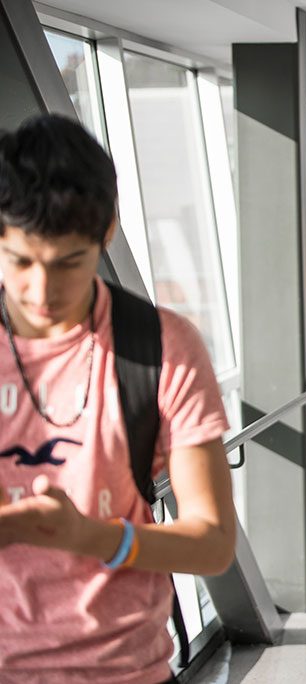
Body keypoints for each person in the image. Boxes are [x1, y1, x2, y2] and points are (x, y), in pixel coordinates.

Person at [0, 114, 236, 683]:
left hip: (125, 671)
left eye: (68, 264)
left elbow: (212, 542)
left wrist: (91, 538)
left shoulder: (160, 345)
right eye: (20, 261)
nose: (42, 291)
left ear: (107, 232)